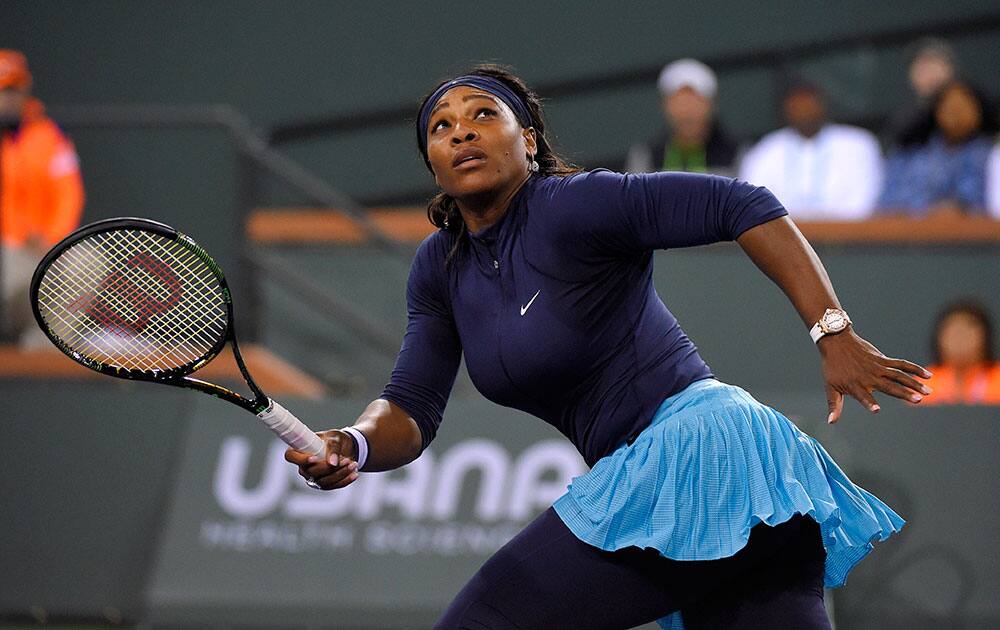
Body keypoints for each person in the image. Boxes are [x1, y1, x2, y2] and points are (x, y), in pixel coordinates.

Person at [286, 65, 930, 629]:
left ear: (528, 143)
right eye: (442, 127)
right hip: (701, 487)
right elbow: (410, 407)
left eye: (484, 115)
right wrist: (355, 443)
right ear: (432, 161)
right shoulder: (439, 269)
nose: (462, 131)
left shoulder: (577, 205)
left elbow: (744, 202)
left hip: (701, 455)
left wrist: (832, 330)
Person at [0, 49, 84, 344]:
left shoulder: (48, 136)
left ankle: (46, 349)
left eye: (11, 89)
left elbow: (69, 195)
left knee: (85, 262)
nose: (6, 99)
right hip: (6, 250)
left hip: (39, 248)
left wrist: (50, 236)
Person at [738, 78, 883, 220]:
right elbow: (755, 205)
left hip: (847, 237)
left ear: (824, 105)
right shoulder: (765, 151)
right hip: (781, 238)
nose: (804, 112)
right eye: (797, 106)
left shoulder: (858, 144)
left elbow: (864, 202)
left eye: (809, 104)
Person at [877, 80, 997, 217]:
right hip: (898, 231)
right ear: (937, 111)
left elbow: (970, 202)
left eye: (962, 109)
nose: (956, 116)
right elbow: (887, 201)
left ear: (979, 112)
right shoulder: (910, 149)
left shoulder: (987, 154)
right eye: (949, 109)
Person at [625, 58, 738, 176]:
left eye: (695, 101)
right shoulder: (644, 157)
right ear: (665, 106)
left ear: (711, 105)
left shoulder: (739, 156)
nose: (686, 111)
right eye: (679, 102)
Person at [923, 301, 1000, 405]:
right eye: (953, 332)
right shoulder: (923, 384)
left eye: (968, 331)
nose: (960, 338)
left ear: (985, 337)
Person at [884, 38, 957, 148]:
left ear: (949, 70)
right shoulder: (904, 122)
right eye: (922, 69)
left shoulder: (973, 109)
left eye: (934, 66)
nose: (929, 75)